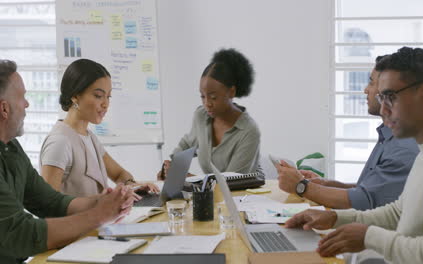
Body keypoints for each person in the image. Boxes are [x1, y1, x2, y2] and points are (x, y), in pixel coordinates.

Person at [286, 47, 423, 263]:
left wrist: (369, 237)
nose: (383, 110)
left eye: (390, 97)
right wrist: (334, 218)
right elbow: (398, 213)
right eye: (381, 98)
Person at [0, 60, 135, 264]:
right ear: (4, 108)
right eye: (23, 97)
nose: (27, 104)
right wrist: (98, 214)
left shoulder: (12, 147)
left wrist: (100, 202)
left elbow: (51, 202)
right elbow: (21, 232)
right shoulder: (60, 140)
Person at [276, 56, 419, 210]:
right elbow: (373, 190)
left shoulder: (403, 148)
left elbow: (365, 201)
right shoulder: (389, 136)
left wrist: (302, 186)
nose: (366, 89)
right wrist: (326, 184)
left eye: (371, 83)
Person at [39, 59, 158, 197]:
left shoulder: (88, 136)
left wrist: (134, 185)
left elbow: (119, 174)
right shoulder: (59, 142)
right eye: (98, 96)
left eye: (108, 97)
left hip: (102, 218)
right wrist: (106, 201)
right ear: (75, 96)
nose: (106, 104)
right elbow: (48, 205)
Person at [159, 48, 262, 179]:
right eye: (203, 96)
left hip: (242, 197)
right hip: (210, 196)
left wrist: (186, 177)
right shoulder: (201, 116)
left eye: (213, 97)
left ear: (231, 92)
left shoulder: (249, 131)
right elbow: (187, 144)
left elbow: (232, 182)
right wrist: (171, 167)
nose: (207, 103)